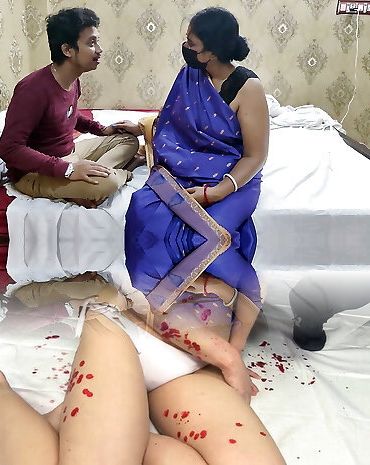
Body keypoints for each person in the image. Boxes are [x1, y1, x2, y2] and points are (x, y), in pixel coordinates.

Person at [117, 7, 269, 394]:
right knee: (143, 211)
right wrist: (144, 131)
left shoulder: (247, 88)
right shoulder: (189, 75)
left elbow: (255, 155)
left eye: (192, 43)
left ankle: (232, 345)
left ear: (213, 50)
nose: (185, 47)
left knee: (213, 238)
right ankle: (170, 303)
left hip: (230, 178)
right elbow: (173, 125)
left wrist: (218, 191)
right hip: (182, 172)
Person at [0, 303, 285, 465]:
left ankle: (101, 429)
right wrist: (227, 356)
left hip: (196, 363)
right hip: (125, 327)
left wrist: (232, 349)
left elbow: (251, 283)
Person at [0, 8, 139, 208]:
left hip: (70, 154)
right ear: (67, 50)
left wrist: (102, 130)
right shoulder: (32, 90)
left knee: (128, 140)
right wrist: (68, 170)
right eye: (92, 43)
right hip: (35, 173)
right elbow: (8, 148)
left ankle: (90, 180)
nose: (99, 49)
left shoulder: (72, 80)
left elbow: (69, 114)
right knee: (109, 182)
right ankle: (121, 174)